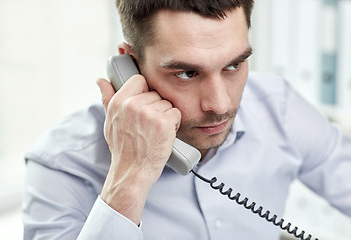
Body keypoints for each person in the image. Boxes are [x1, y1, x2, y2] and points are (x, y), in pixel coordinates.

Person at [22, 0, 351, 239]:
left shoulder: (277, 106)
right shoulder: (62, 163)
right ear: (130, 67)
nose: (220, 104)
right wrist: (130, 177)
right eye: (187, 72)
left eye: (233, 65)